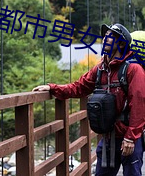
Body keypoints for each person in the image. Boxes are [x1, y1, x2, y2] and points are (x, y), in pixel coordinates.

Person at [32, 23, 145, 176]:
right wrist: (53, 88)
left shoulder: (133, 70)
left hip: (128, 137)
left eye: (110, 36)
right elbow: (79, 87)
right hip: (108, 138)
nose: (105, 39)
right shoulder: (100, 69)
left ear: (121, 43)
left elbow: (139, 105)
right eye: (105, 36)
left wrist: (131, 138)